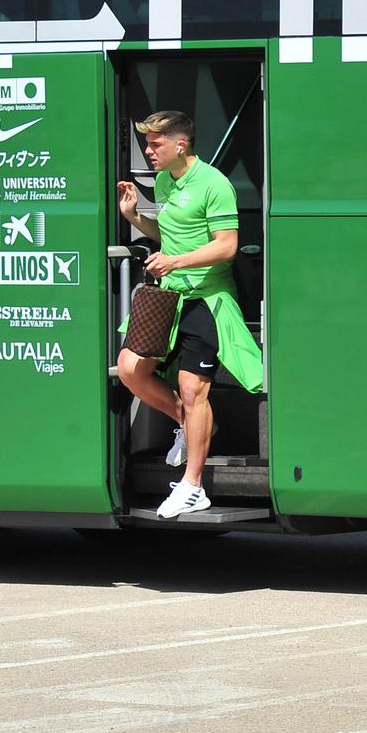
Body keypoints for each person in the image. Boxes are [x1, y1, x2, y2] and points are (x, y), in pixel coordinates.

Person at [114, 111, 264, 520]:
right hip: (169, 298)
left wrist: (176, 262)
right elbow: (170, 235)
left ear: (181, 145)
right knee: (130, 369)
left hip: (207, 298)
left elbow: (227, 247)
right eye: (147, 143)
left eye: (155, 143)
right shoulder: (164, 181)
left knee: (194, 388)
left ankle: (193, 486)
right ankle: (191, 424)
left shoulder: (214, 184)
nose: (148, 151)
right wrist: (133, 217)